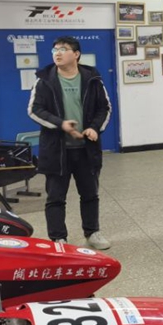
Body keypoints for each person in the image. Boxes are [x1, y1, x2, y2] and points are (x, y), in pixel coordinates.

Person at [28, 36, 112, 250]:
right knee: (55, 197)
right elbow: (35, 110)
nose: (57, 53)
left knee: (90, 194)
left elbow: (104, 108)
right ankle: (58, 238)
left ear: (76, 54)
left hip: (86, 150)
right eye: (54, 49)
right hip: (57, 150)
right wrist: (60, 124)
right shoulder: (44, 80)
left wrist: (94, 127)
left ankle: (92, 233)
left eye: (63, 49)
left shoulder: (92, 78)